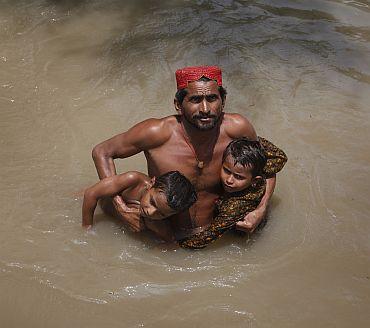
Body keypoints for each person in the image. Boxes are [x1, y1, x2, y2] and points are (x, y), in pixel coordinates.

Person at [92, 66, 278, 242]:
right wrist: (120, 208)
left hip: (217, 230)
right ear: (178, 105)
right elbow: (102, 152)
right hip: (163, 232)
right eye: (195, 100)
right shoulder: (156, 133)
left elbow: (266, 167)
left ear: (223, 101)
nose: (205, 109)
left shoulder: (237, 128)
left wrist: (261, 210)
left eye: (212, 98)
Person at [178, 137, 287, 249]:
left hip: (242, 226)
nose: (229, 180)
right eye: (226, 171)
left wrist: (177, 246)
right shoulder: (254, 164)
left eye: (239, 177)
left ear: (255, 181)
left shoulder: (234, 207)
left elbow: (208, 236)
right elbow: (279, 156)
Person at [82, 171, 197, 229]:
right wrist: (87, 228)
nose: (150, 212)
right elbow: (90, 194)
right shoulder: (133, 181)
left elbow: (169, 243)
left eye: (161, 214)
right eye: (152, 202)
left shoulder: (156, 222)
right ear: (151, 183)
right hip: (98, 205)